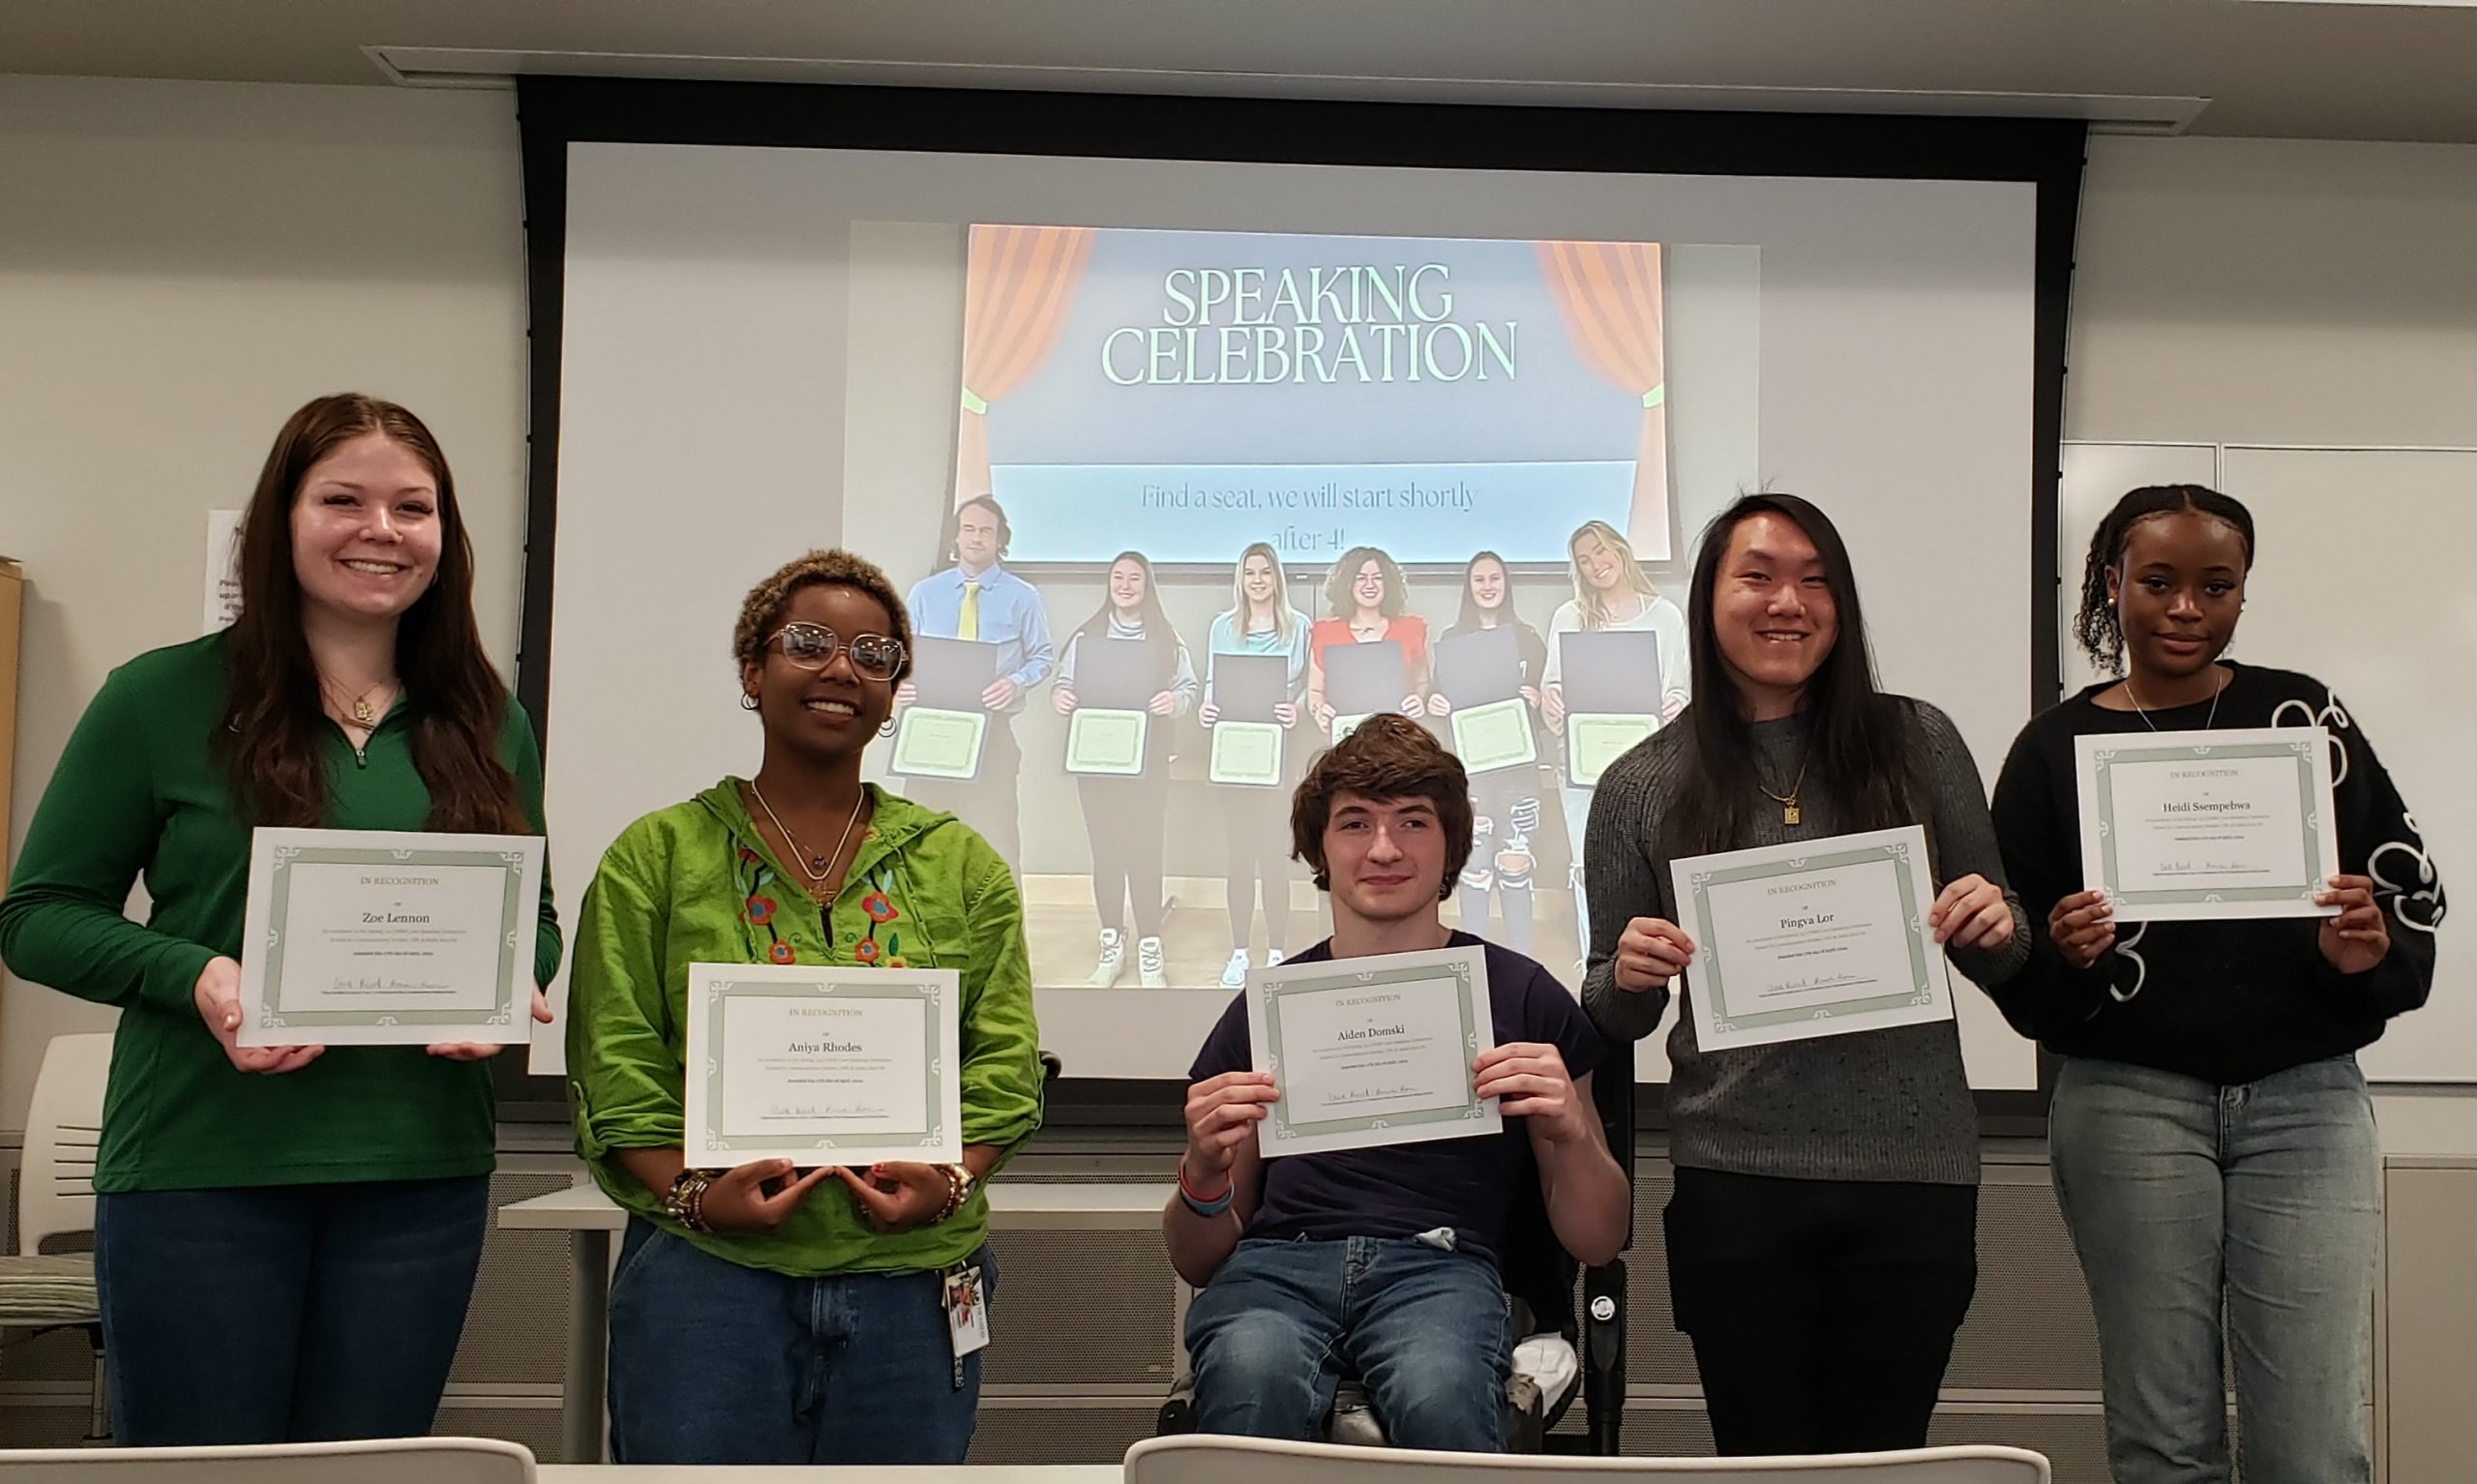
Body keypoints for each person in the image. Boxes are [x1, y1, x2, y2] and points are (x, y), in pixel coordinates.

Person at [0, 393, 561, 1445]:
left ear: (446, 535)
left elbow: (530, 912)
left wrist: (506, 986)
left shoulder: (486, 716)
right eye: (342, 498)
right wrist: (201, 977)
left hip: (417, 1171)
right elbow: (36, 917)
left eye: (414, 506)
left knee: (372, 1474)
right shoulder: (158, 697)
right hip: (199, 1171)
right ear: (280, 521)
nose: (381, 530)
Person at [1989, 485, 2442, 1484]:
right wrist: (2062, 951)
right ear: (2112, 586)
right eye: (2157, 582)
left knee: (2312, 1442)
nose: (2185, 607)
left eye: (2214, 585)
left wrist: (2367, 952)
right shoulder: (2050, 752)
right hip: (2125, 1102)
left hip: (2305, 1099)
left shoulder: (2302, 717)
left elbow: (2408, 895)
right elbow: (2012, 960)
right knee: (2163, 1439)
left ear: (2242, 593)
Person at [566, 548, 1044, 1466]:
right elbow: (613, 1055)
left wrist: (949, 1177)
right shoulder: (657, 857)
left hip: (915, 1286)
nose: (842, 669)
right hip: (708, 1280)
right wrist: (695, 1194)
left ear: (896, 689)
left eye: (874, 654)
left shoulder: (961, 864)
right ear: (753, 670)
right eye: (810, 643)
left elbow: (1006, 1061)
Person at [1579, 493, 2029, 1456]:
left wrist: (1994, 923)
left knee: (1886, 1459)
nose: (1787, 601)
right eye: (1758, 576)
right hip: (1735, 1177)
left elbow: (2007, 953)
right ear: (1706, 601)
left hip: (1911, 1173)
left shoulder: (1919, 742)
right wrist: (1625, 973)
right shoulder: (1639, 783)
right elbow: (1610, 1013)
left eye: (1814, 580)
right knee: (1762, 1462)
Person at [1167, 715, 1629, 1453]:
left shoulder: (1523, 995)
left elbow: (1600, 1236)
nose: (1384, 849)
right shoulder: (1267, 1006)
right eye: (1355, 823)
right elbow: (1195, 1257)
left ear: (1450, 846)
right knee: (1252, 1375)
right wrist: (1203, 1170)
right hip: (1277, 1267)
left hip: (1441, 1267)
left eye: (1413, 822)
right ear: (1319, 845)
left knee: (1441, 1389)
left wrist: (1568, 1131)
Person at [1540, 519, 1690, 966]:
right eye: (1584, 560)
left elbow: (1680, 688)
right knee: (1588, 867)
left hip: (1649, 765)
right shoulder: (1569, 617)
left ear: (1621, 551)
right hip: (1583, 765)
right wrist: (1552, 700)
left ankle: (1654, 959)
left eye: (1601, 552)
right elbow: (1553, 686)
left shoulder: (1663, 615)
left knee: (1648, 861)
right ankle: (1598, 959)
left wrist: (1674, 705)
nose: (1595, 565)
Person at [1053, 550, 1198, 989]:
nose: (1126, 584)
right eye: (1118, 577)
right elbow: (1063, 683)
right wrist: (1060, 696)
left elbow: (1188, 688)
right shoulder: (1086, 635)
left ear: (1147, 585)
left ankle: (1150, 945)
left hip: (1147, 764)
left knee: (1145, 851)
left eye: (1135, 578)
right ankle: (1112, 942)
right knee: (1107, 852)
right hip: (1096, 763)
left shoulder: (1166, 639)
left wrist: (1175, 703)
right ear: (1109, 583)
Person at [899, 495, 1056, 868]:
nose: (976, 537)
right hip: (930, 732)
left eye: (987, 531)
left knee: (995, 838)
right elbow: (899, 654)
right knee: (924, 839)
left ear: (1000, 539)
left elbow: (1043, 657)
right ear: (956, 538)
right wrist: (897, 684)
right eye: (968, 529)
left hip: (992, 734)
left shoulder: (1023, 597)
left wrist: (1015, 683)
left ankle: (1003, 926)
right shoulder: (925, 593)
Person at [1199, 542, 1313, 989]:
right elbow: (1212, 682)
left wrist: (1298, 708)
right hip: (1233, 754)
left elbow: (1308, 684)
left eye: (1266, 572)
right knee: (1240, 855)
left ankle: (1278, 950)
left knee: (1273, 854)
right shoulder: (1222, 628)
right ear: (1241, 580)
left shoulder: (1299, 626)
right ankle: (1241, 951)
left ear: (1276, 578)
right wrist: (1207, 708)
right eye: (1251, 573)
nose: (1259, 580)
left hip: (1277, 755)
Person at [1426, 551, 1548, 956]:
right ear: (1469, 587)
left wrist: (1537, 694)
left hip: (1518, 769)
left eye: (1495, 578)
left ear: (1506, 583)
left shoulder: (1527, 636)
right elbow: (1434, 695)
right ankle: (1476, 958)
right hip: (1471, 771)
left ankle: (1522, 958)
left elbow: (1548, 695)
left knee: (1515, 863)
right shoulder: (1451, 640)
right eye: (1479, 579)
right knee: (1474, 868)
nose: (1488, 586)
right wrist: (1436, 702)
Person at [1305, 545, 1428, 733]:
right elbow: (1315, 691)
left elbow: (1423, 683)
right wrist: (1319, 711)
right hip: (1346, 736)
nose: (1369, 585)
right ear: (1347, 583)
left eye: (1377, 578)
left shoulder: (1410, 629)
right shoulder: (1325, 633)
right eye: (1360, 578)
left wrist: (1420, 701)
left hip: (1398, 736)